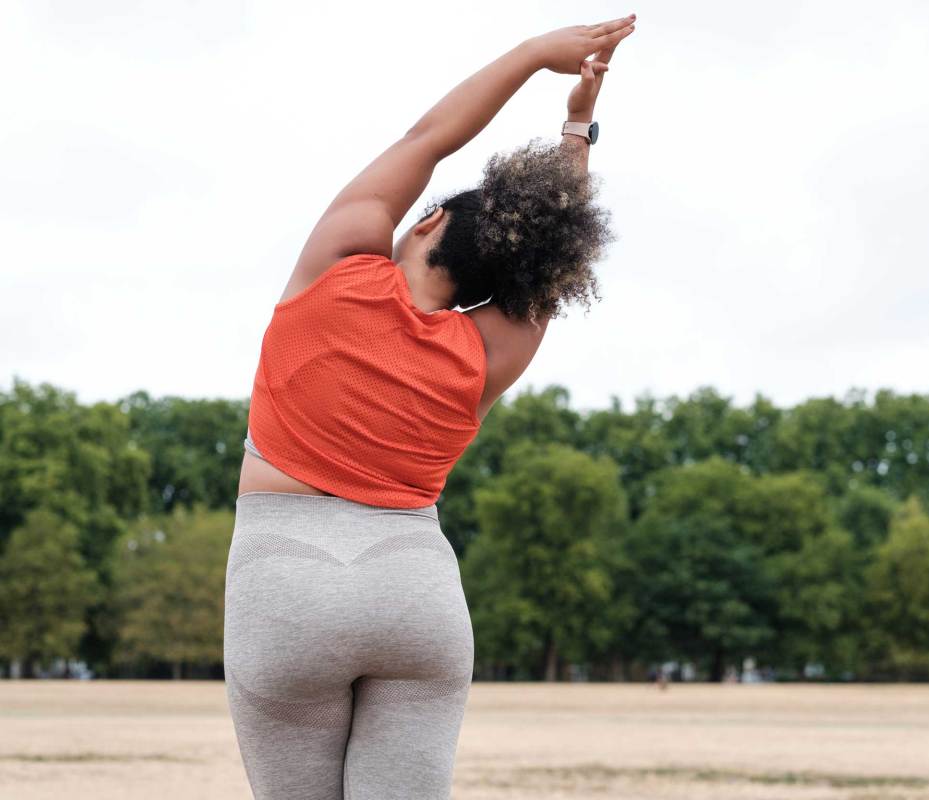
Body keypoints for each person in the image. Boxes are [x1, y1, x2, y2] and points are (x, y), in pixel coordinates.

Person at [222, 15, 635, 799]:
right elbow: (551, 258)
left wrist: (534, 57)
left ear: (428, 220)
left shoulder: (338, 264)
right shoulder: (489, 351)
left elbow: (430, 136)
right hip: (416, 593)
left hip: (285, 580)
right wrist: (576, 133)